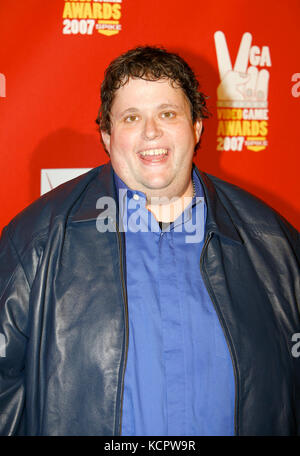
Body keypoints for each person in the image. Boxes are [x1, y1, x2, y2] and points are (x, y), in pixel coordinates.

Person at [0, 46, 299, 437]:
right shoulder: (35, 242)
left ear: (196, 128)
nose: (151, 131)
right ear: (107, 136)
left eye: (168, 113)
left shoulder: (274, 245)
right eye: (131, 117)